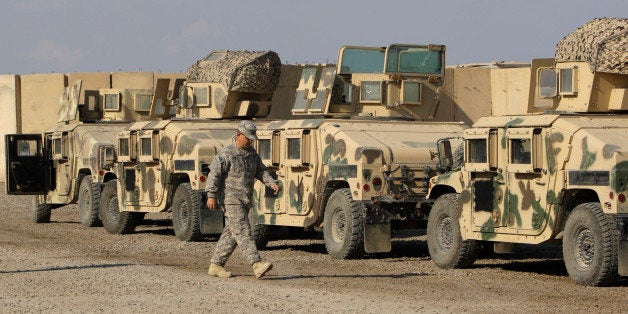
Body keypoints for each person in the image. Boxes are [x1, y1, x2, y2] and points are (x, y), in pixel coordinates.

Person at [205, 120, 280, 279]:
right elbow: (214, 175)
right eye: (248, 137)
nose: (251, 140)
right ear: (239, 135)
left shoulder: (252, 154)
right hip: (230, 199)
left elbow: (261, 171)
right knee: (244, 230)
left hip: (245, 199)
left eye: (252, 138)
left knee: (233, 232)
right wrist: (211, 195)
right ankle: (256, 263)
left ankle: (216, 265)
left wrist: (270, 182)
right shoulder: (226, 154)